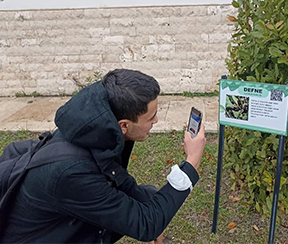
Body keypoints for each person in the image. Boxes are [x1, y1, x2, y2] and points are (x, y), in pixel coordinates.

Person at [1, 69, 205, 243]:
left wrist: (156, 212)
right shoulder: (72, 173)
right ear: (124, 125)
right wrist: (191, 163)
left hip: (68, 217)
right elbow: (146, 225)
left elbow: (118, 179)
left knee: (150, 196)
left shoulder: (98, 131)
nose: (157, 120)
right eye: (151, 117)